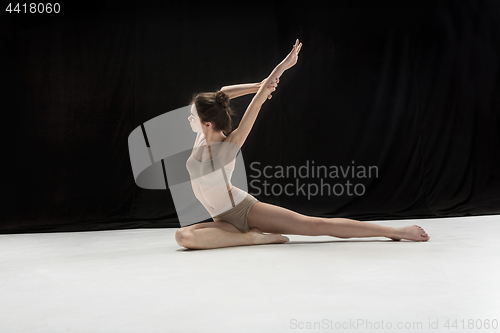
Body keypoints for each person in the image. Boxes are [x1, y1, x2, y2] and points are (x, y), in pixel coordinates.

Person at [176, 39, 430, 249]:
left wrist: (279, 70)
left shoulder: (227, 148)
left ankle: (395, 231)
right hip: (222, 220)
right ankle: (249, 238)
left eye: (193, 116)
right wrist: (258, 85)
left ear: (208, 124)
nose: (189, 119)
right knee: (183, 237)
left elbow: (258, 104)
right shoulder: (202, 135)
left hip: (244, 212)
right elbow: (223, 92)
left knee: (315, 225)